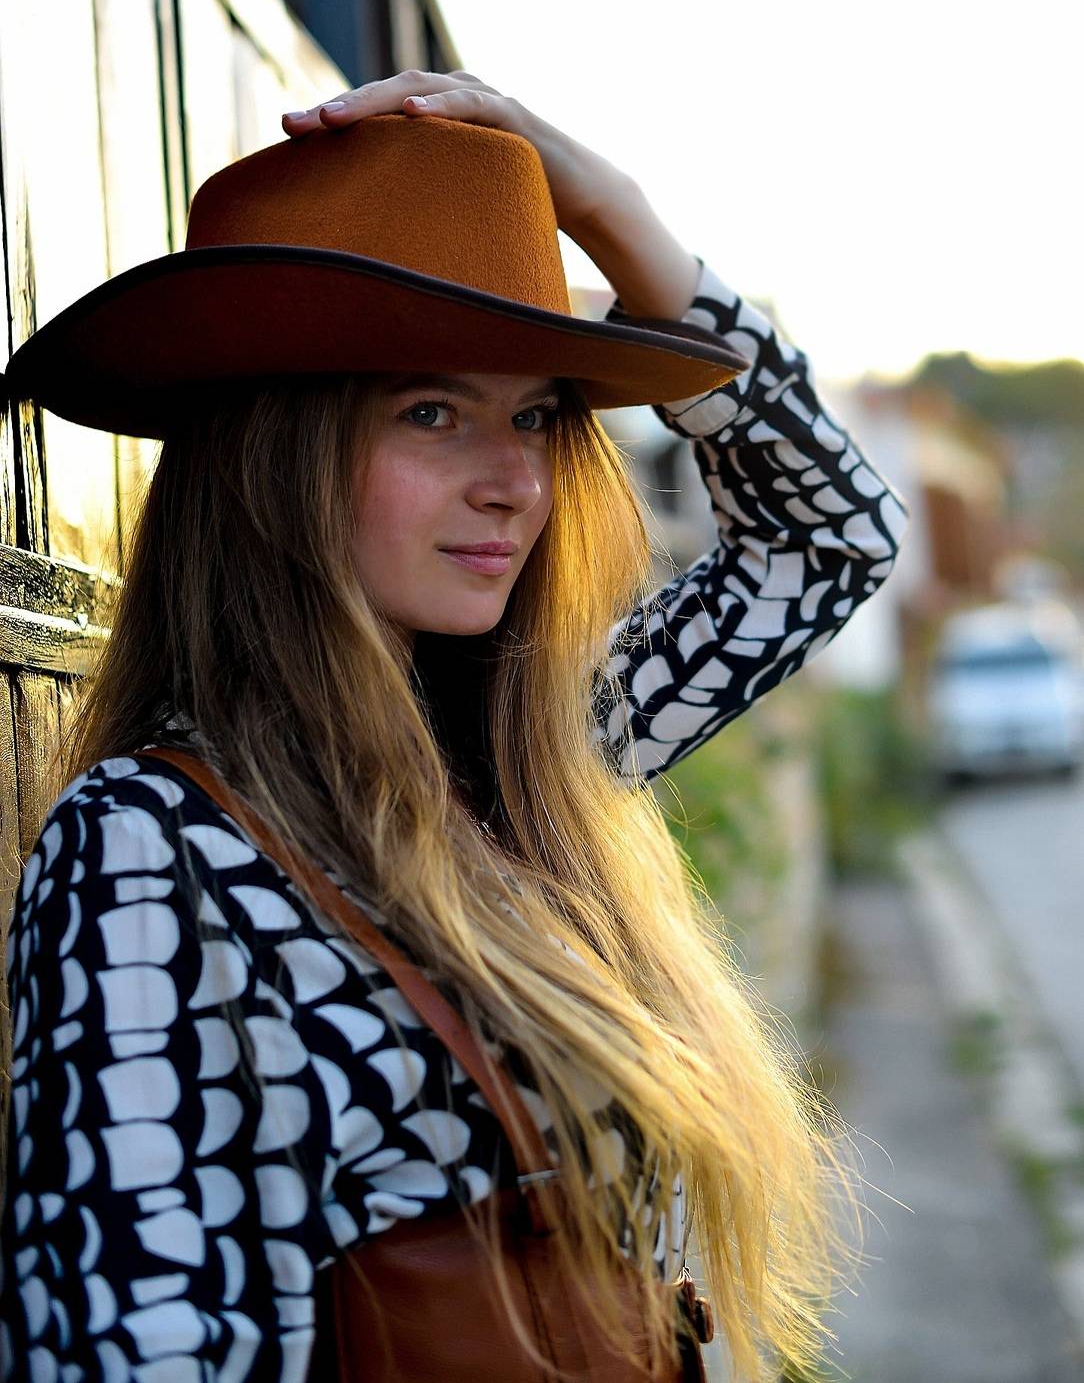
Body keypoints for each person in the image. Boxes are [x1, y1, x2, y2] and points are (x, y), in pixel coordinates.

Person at [0, 70, 908, 1381]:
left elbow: (828, 538)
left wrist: (610, 208)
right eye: (432, 411)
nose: (516, 482)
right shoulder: (149, 854)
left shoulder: (524, 751)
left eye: (533, 415)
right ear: (273, 451)